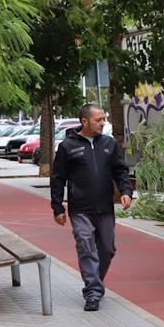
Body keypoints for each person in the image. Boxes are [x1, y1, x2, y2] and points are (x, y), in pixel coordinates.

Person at [49, 104, 133, 311]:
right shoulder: (68, 146)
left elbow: (120, 171)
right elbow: (57, 178)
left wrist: (125, 191)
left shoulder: (109, 144)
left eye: (103, 119)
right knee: (86, 247)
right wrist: (58, 207)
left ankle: (95, 280)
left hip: (105, 207)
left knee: (107, 249)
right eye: (98, 120)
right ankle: (93, 292)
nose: (103, 123)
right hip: (80, 209)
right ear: (84, 121)